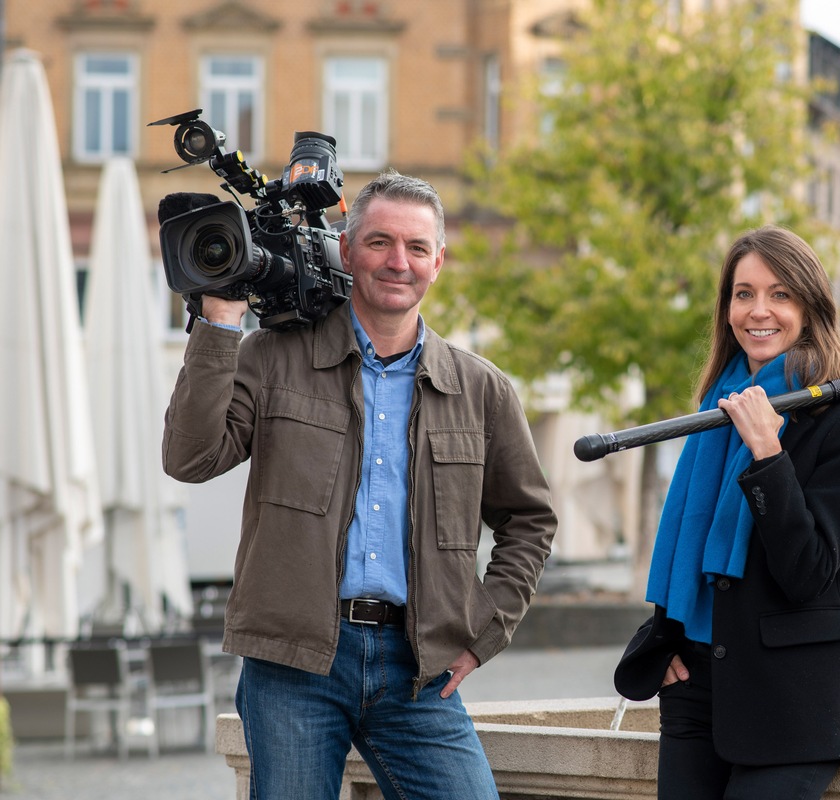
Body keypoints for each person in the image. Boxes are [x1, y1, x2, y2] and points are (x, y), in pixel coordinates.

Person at [163, 171, 557, 800]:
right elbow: (191, 458)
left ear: (438, 262)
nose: (398, 262)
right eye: (379, 243)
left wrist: (486, 631)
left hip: (417, 669)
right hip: (291, 663)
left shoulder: (481, 389)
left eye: (417, 248)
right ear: (346, 250)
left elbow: (529, 522)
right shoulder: (269, 356)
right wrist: (218, 324)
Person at [614, 225, 840, 800]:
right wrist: (664, 643)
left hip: (795, 702)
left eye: (780, 294)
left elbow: (808, 570)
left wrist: (769, 453)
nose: (759, 311)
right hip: (696, 690)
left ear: (811, 309)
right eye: (744, 293)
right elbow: (689, 553)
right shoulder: (716, 414)